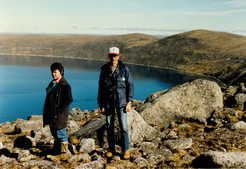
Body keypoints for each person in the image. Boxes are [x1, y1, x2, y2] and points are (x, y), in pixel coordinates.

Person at [97, 47, 134, 159]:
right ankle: (111, 150)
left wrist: (129, 102)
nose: (113, 57)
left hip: (121, 102)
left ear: (118, 56)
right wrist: (100, 103)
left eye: (115, 55)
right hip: (108, 103)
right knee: (109, 126)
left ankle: (126, 150)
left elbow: (130, 86)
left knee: (123, 127)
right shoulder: (104, 70)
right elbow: (101, 88)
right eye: (111, 55)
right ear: (109, 56)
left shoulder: (124, 69)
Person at [43, 62, 73, 158]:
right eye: (52, 72)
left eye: (56, 72)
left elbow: (69, 99)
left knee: (61, 133)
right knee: (54, 132)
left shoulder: (65, 85)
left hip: (59, 115)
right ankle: (56, 151)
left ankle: (63, 154)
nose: (53, 74)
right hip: (52, 114)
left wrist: (60, 110)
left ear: (61, 72)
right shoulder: (52, 84)